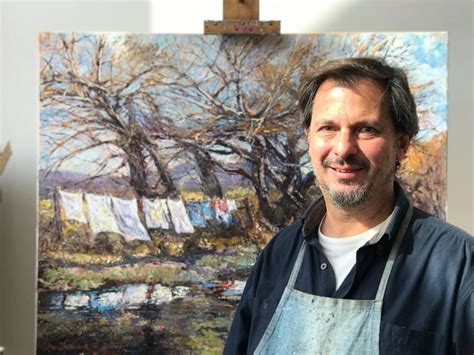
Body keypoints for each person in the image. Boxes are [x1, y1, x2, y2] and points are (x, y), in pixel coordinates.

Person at [224, 57, 473, 354]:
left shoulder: (456, 264)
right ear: (308, 138)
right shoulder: (279, 255)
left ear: (402, 145)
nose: (343, 149)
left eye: (365, 129)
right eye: (327, 128)